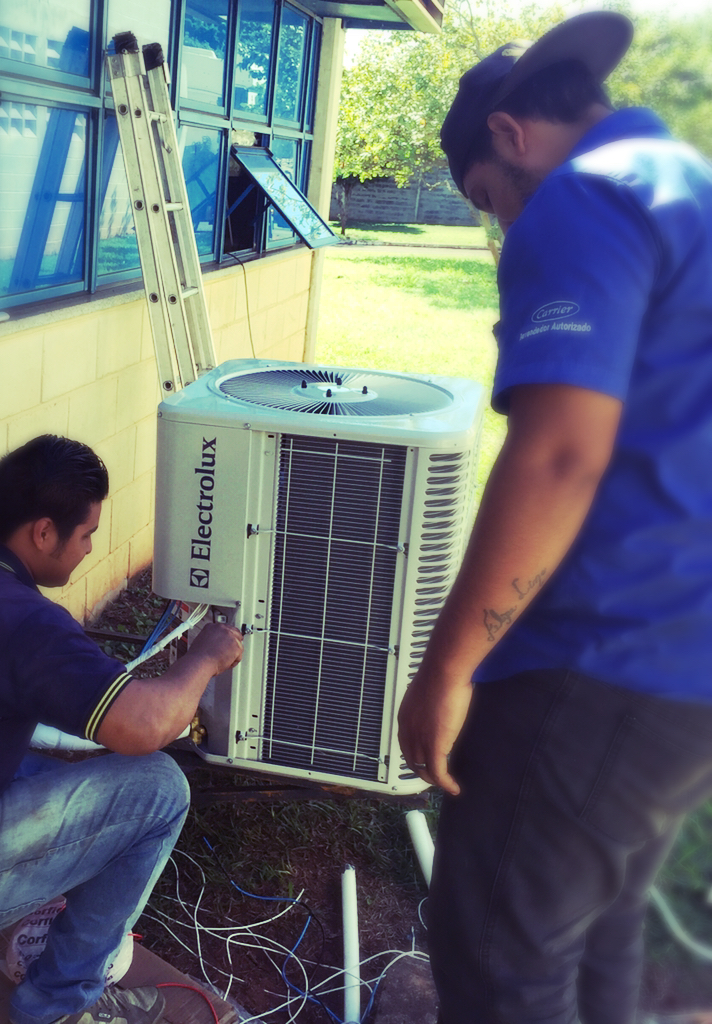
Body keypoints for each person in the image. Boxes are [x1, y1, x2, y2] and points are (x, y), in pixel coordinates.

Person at [397, 11, 712, 1024]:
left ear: (509, 133)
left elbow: (560, 455)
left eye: (488, 201)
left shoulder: (584, 196)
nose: (502, 225)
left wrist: (446, 671)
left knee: (498, 951)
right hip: (685, 670)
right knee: (600, 922)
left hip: (602, 655)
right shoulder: (686, 186)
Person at [0, 435, 244, 1024]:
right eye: (86, 535)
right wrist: (206, 656)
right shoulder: (20, 619)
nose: (90, 549)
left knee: (44, 759)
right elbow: (145, 726)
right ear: (43, 533)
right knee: (158, 789)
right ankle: (57, 1005)